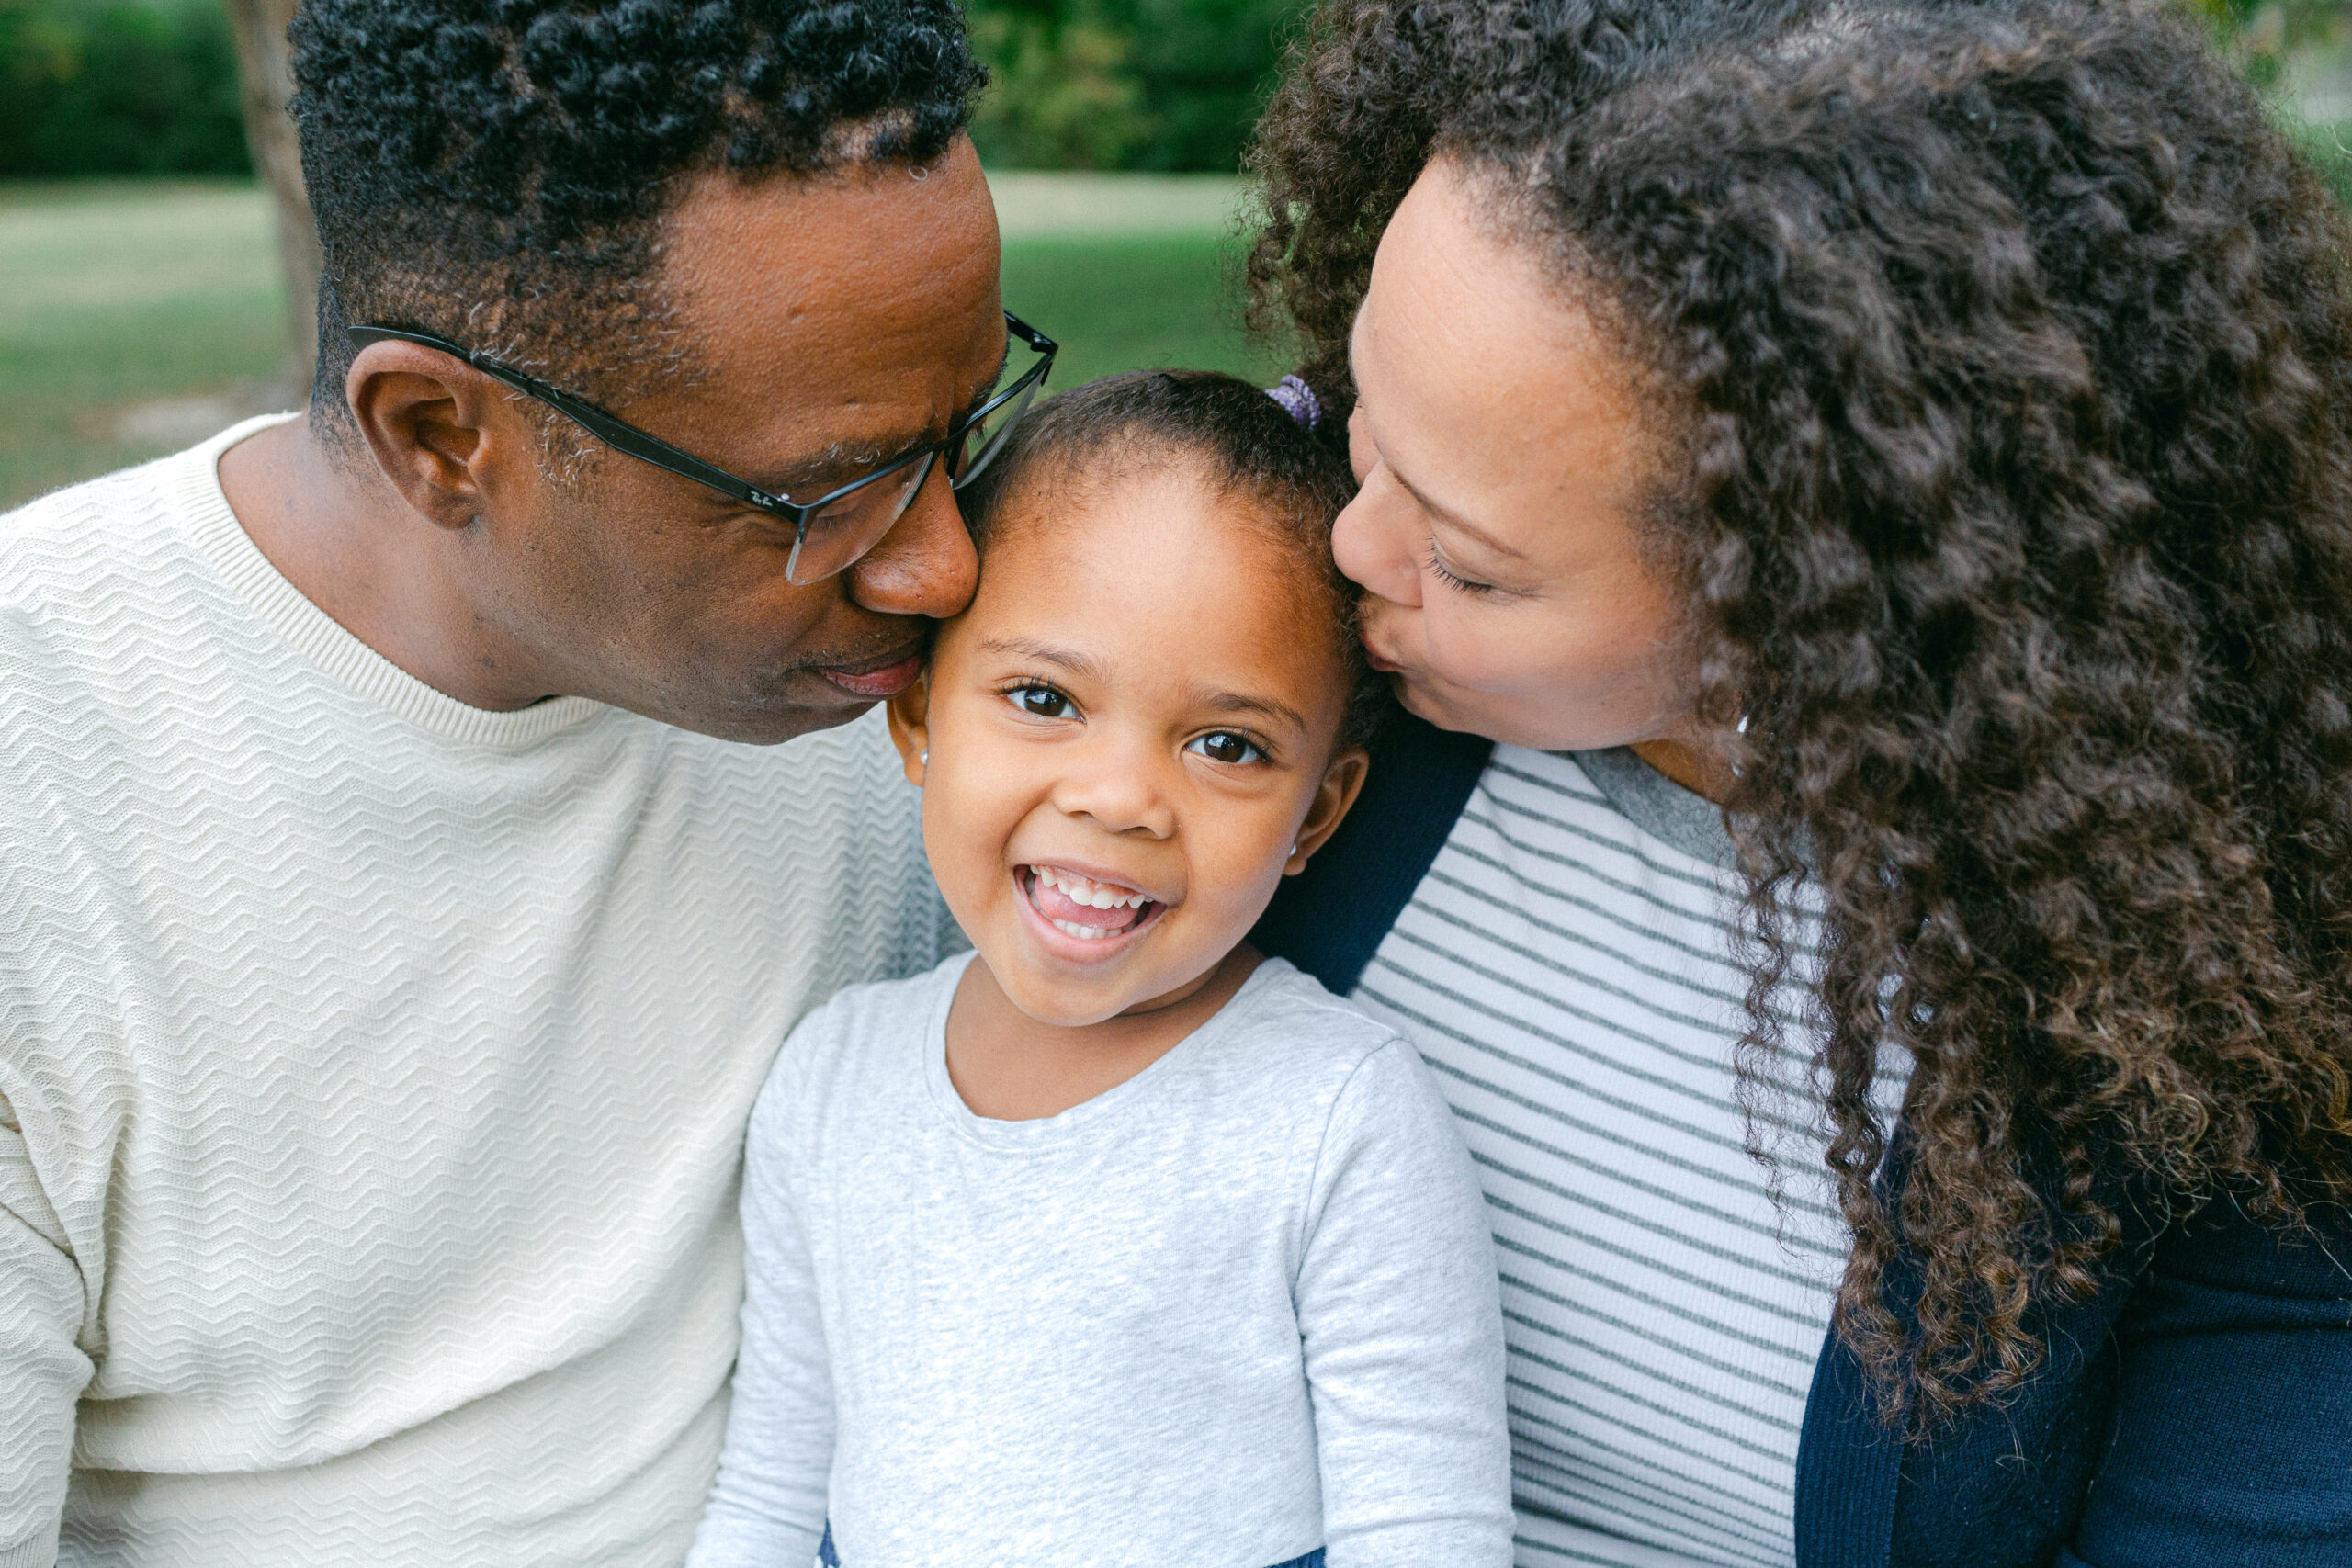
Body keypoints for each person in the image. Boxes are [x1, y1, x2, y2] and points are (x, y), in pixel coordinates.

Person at [1244, 0, 2352, 1563]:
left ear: (1833, 598)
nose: (1347, 546)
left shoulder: (2190, 990)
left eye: (1475, 570)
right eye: (1362, 411)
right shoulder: (1277, 686)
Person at [0, 0, 1027, 1560]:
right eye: (831, 497)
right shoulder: (46, 772)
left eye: (967, 428)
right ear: (437, 435)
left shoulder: (960, 670)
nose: (947, 564)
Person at [684, 371, 1513, 1568]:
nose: (1120, 798)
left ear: (1317, 819)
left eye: (1227, 745)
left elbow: (1427, 1533)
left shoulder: (1340, 1114)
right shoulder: (833, 1081)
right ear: (917, 721)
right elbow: (770, 1492)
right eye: (1043, 698)